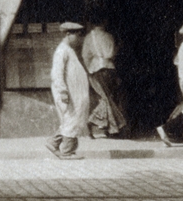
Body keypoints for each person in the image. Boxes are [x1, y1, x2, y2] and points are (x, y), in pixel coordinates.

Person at [46, 21, 89, 159]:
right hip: (69, 93)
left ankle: (53, 143)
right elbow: (56, 73)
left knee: (71, 119)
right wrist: (63, 91)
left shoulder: (69, 50)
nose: (79, 38)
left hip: (75, 92)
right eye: (77, 35)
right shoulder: (62, 50)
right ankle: (67, 152)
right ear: (68, 34)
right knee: (72, 119)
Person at [82, 20, 128, 139]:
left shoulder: (88, 37)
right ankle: (109, 127)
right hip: (109, 68)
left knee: (105, 99)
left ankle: (98, 124)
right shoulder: (109, 36)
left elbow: (85, 55)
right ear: (103, 24)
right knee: (109, 99)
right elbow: (111, 54)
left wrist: (89, 69)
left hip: (95, 69)